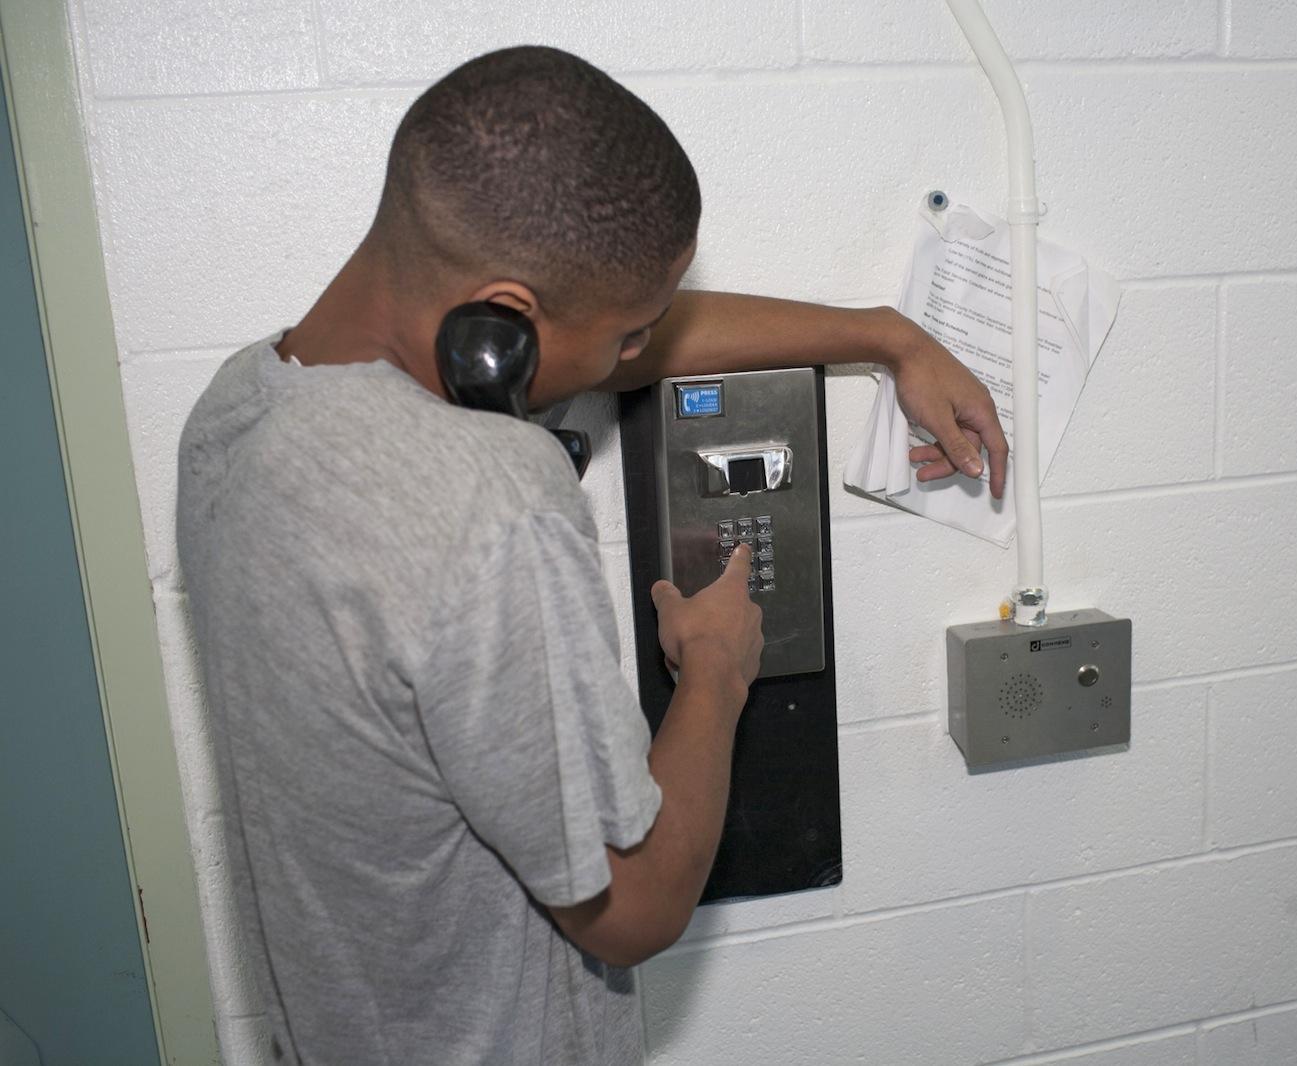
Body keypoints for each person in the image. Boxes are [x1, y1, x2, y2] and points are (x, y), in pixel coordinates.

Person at [176, 45, 1007, 1066]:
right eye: (623, 339)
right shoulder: (486, 500)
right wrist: (714, 672)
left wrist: (884, 335)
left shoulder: (240, 407)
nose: (631, 361)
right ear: (501, 324)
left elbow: (605, 327)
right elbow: (634, 903)